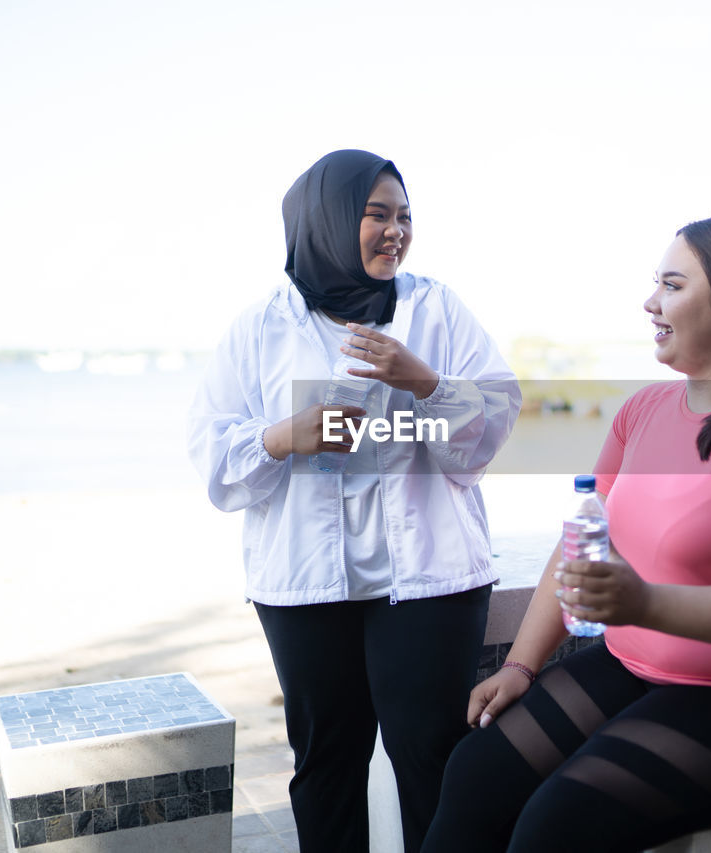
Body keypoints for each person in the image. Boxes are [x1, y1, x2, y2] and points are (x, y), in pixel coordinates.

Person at [423, 213, 711, 853]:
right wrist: (522, 663)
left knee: (558, 826)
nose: (650, 302)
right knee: (475, 773)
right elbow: (580, 543)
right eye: (656, 283)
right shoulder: (643, 411)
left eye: (673, 286)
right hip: (638, 667)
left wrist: (644, 602)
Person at [187, 149, 520, 853]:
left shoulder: (436, 308)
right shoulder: (259, 329)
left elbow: (487, 436)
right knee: (326, 768)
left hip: (430, 579)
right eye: (377, 213)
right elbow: (214, 463)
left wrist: (423, 380)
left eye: (405, 216)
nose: (395, 230)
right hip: (305, 585)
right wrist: (286, 436)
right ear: (329, 220)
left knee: (434, 760)